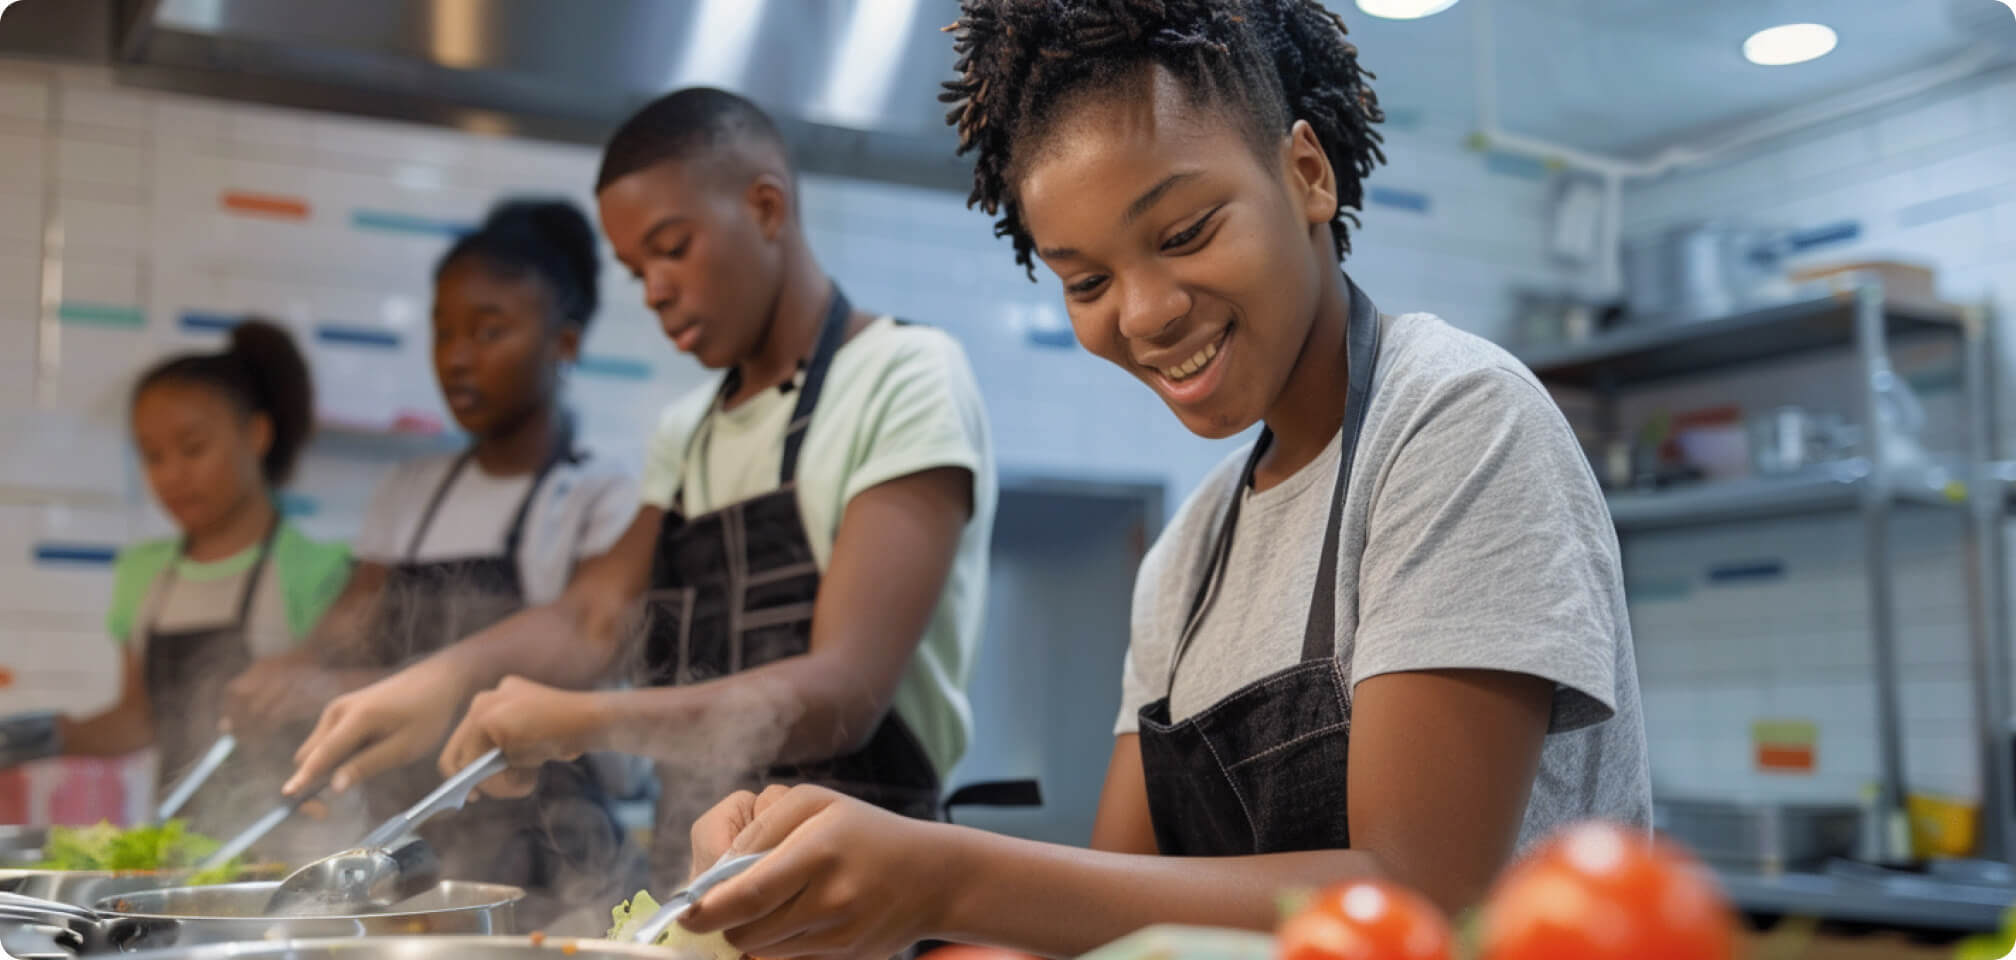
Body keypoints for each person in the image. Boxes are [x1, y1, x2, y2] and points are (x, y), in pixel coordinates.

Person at [660, 2, 1653, 956]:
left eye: (1184, 233)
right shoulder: (1189, 554)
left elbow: (1415, 900)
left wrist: (937, 876)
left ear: (1307, 173)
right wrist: (833, 901)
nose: (1142, 314)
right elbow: (1122, 922)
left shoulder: (1453, 420)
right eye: (1086, 281)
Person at [283, 88, 996, 892]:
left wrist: (581, 720)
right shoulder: (687, 431)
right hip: (690, 881)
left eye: (672, 247)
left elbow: (846, 691)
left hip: (860, 890)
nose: (653, 289)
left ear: (766, 207)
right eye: (635, 268)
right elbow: (593, 618)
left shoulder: (905, 376)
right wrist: (440, 680)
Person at [226, 200, 643, 927]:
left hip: (550, 865)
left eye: (489, 330)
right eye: (444, 331)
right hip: (406, 849)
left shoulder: (603, 492)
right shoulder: (409, 492)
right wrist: (289, 676)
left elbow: (577, 654)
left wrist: (356, 684)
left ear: (563, 343)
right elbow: (344, 631)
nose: (455, 355)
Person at [0, 320, 351, 847]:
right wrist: (22, 737)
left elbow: (346, 710)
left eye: (192, 448)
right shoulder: (143, 572)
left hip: (297, 843)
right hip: (180, 846)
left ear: (256, 435)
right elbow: (138, 721)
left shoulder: (318, 568)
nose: (172, 475)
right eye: (153, 456)